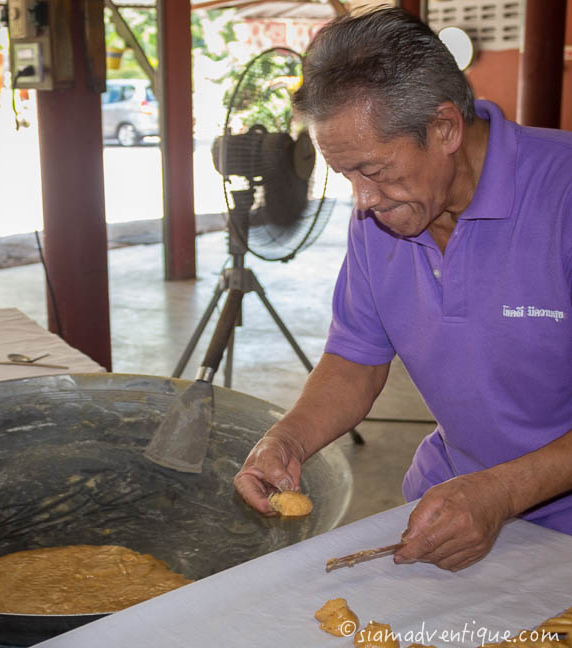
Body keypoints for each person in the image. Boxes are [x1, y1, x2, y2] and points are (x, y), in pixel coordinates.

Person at [234, 7, 572, 571]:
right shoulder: (385, 213)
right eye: (346, 177)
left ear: (444, 129)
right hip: (448, 500)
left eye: (375, 170)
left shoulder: (562, 197)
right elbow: (355, 358)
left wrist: (503, 492)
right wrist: (287, 441)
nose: (362, 200)